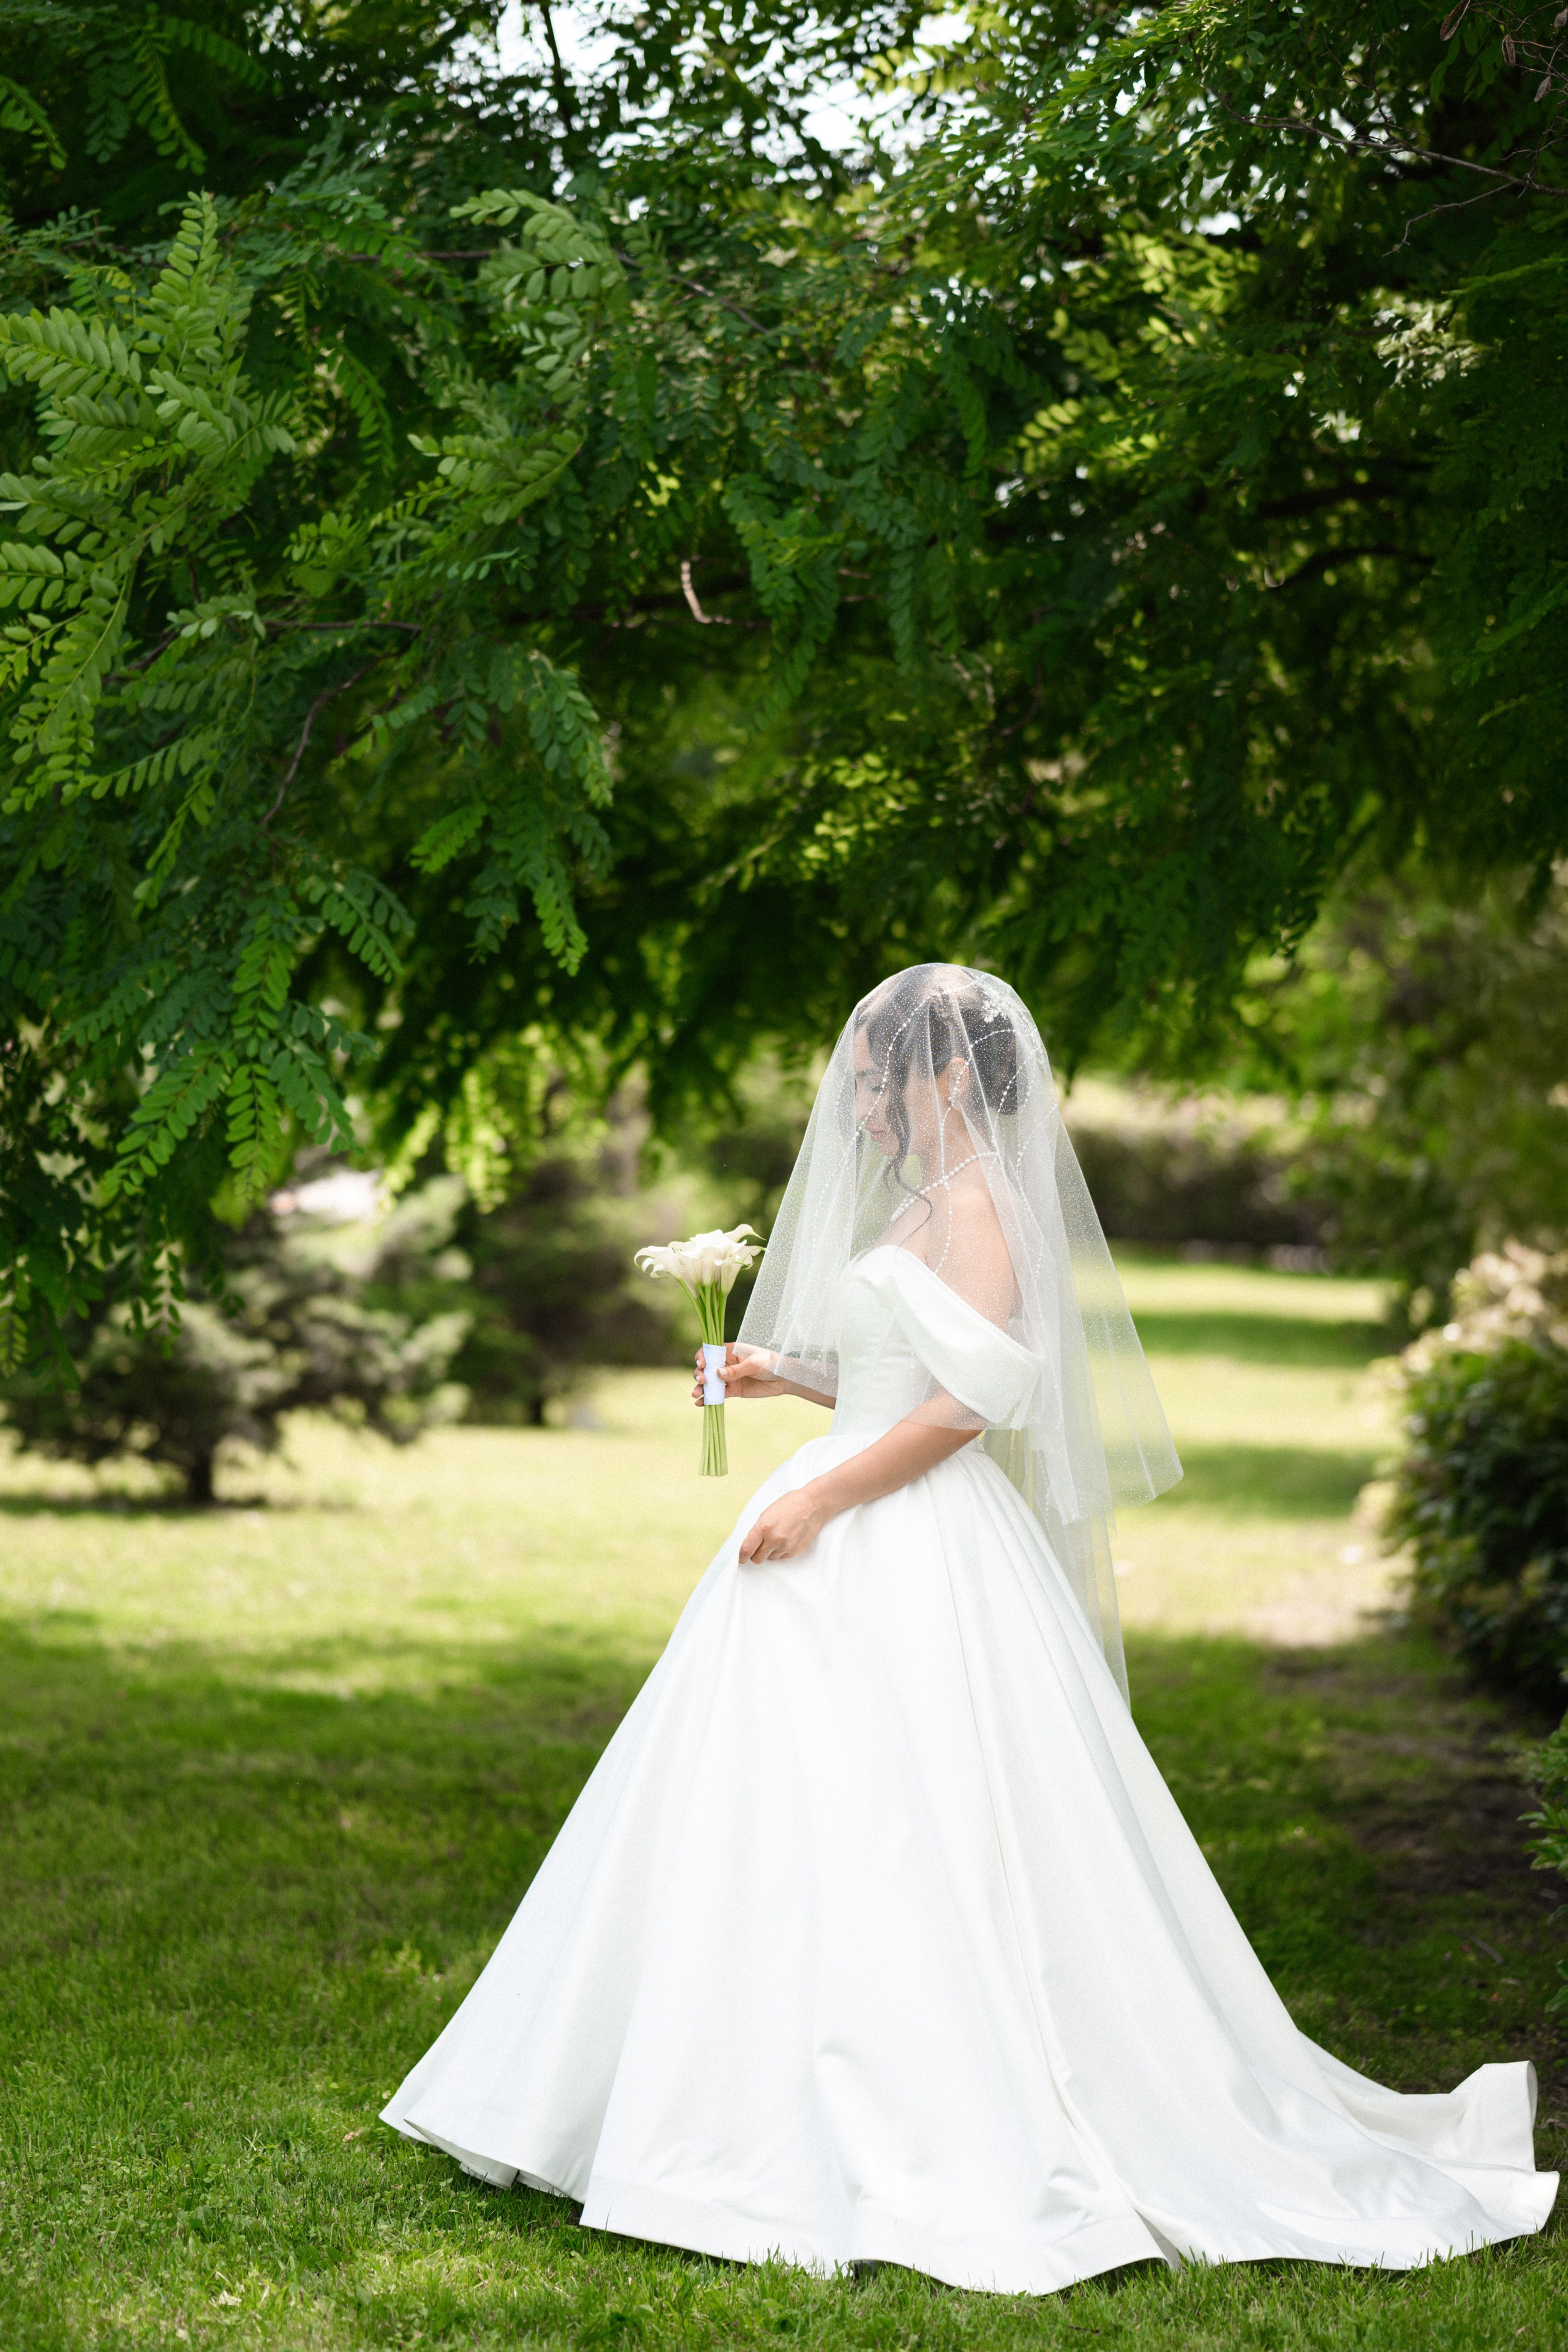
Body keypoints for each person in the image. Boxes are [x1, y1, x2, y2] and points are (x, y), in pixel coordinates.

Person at [381, 963, 1557, 2293]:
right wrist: (784, 1375)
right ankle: (695, 2093)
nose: (865, 1099)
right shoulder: (928, 1202)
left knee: (919, 1817)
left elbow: (967, 1412)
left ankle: (915, 2100)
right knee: (762, 1807)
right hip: (841, 1515)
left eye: (883, 1075)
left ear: (947, 1076)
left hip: (904, 1535)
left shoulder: (986, 1203)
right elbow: (900, 1378)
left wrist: (821, 1494)